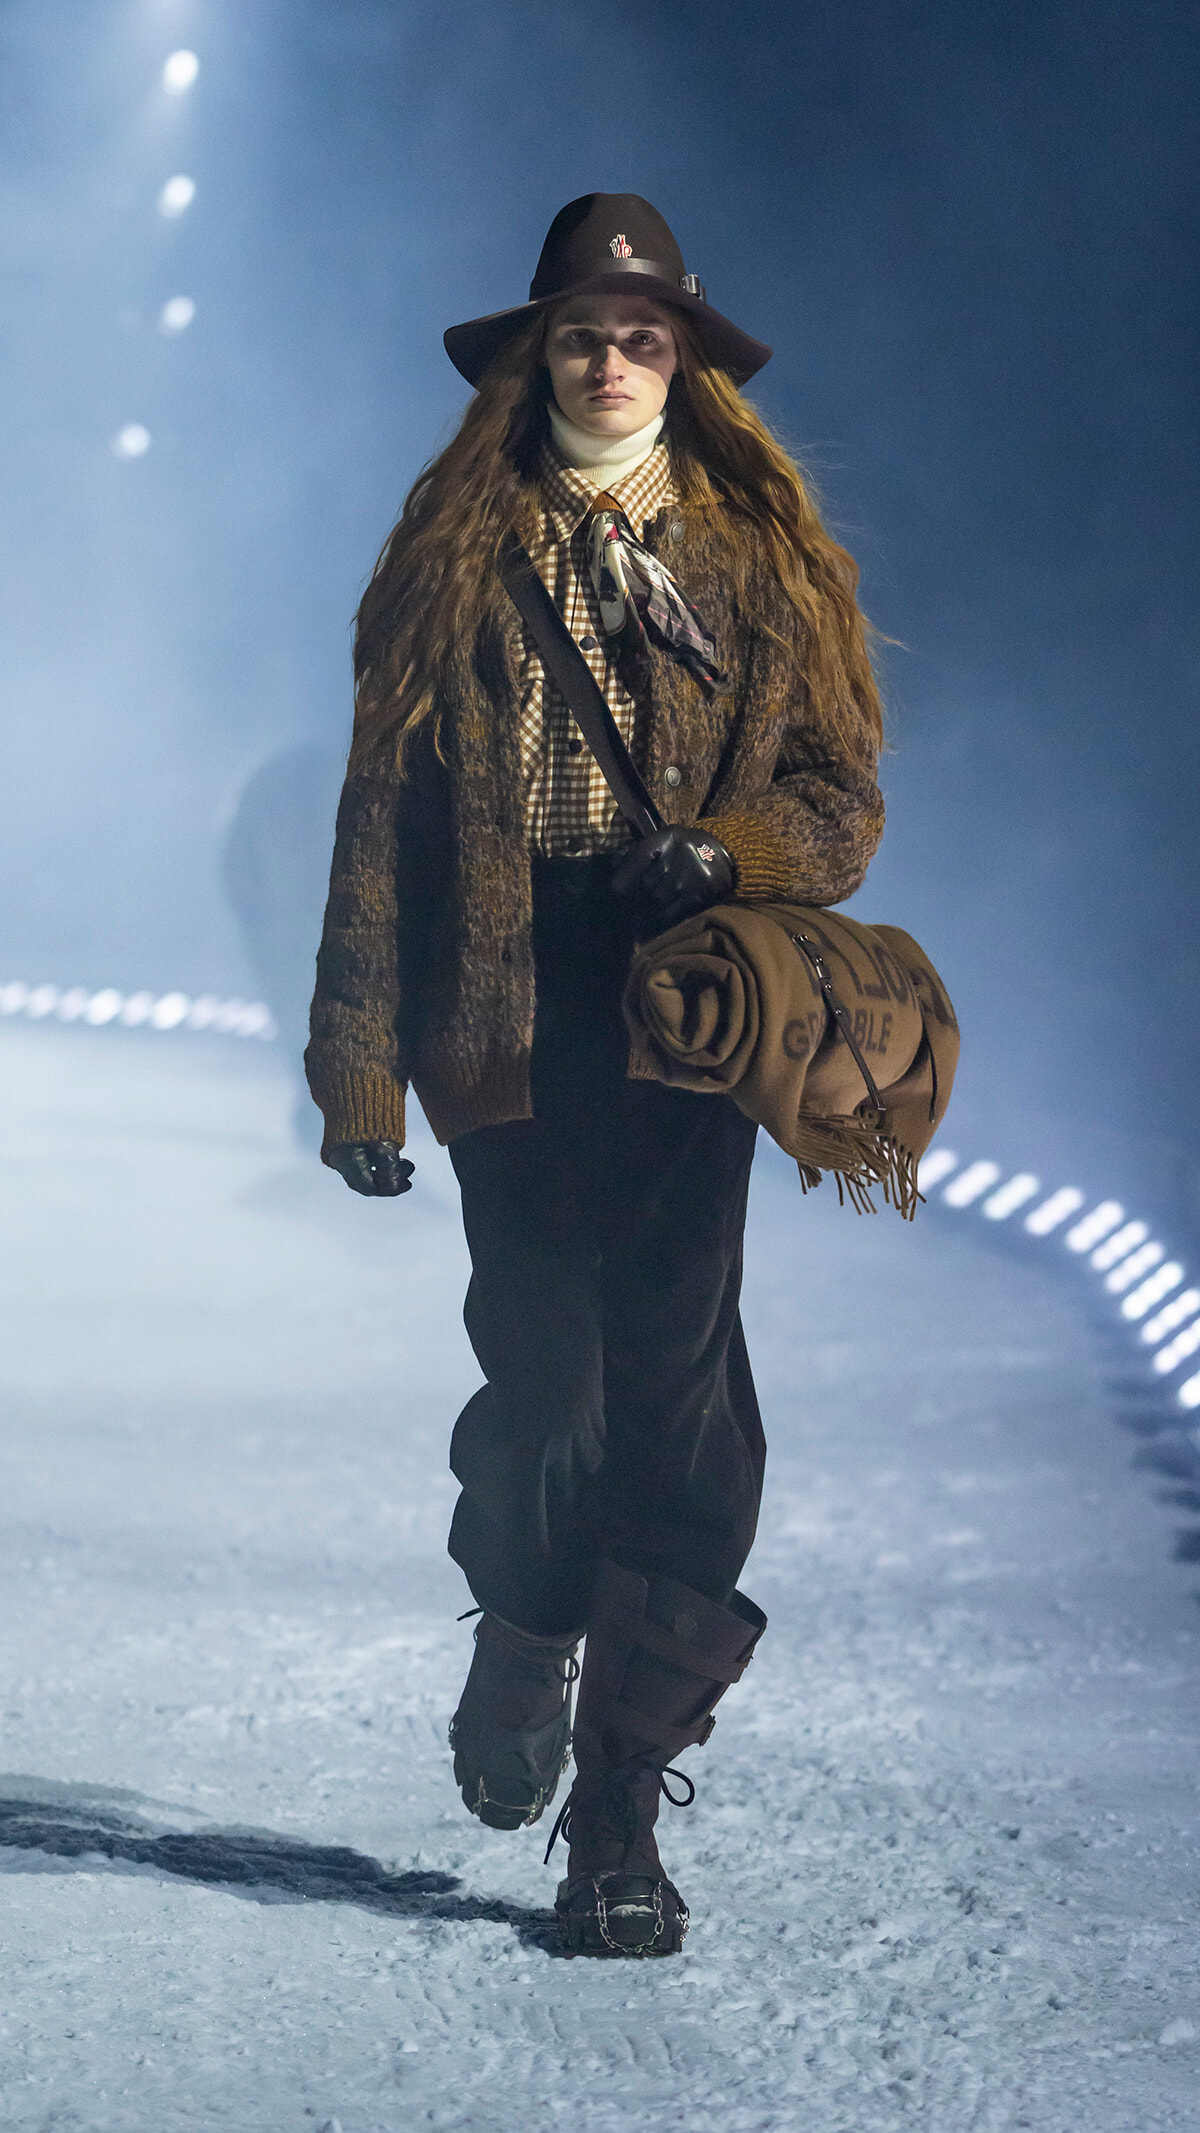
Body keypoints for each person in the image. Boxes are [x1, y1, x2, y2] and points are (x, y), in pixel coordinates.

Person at [305, 193, 885, 1957]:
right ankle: (528, 1617)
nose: (613, 360)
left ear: (683, 358)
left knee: (679, 1399)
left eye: (643, 334)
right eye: (583, 332)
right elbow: (378, 825)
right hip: (505, 997)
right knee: (548, 1376)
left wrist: (723, 854)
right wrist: (358, 1072)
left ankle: (619, 1818)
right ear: (536, 354)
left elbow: (840, 800)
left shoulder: (758, 556)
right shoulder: (453, 550)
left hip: (685, 1010)